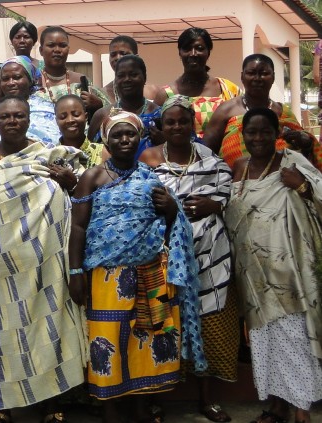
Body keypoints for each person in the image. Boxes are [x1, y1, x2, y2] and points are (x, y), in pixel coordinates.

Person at [0, 96, 89, 423]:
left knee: (49, 329)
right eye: (5, 116)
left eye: (19, 116)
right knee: (6, 336)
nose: (13, 121)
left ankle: (50, 404)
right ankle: (12, 406)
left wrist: (71, 184)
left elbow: (83, 195)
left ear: (29, 119)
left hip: (47, 267)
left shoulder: (47, 155)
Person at [72, 110, 206, 423]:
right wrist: (75, 272)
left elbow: (169, 223)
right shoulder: (92, 177)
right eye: (117, 134)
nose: (124, 140)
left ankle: (144, 408)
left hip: (150, 273)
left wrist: (173, 210)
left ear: (139, 137)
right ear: (106, 138)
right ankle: (111, 410)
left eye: (130, 134)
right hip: (107, 277)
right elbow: (77, 228)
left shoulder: (149, 175)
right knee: (108, 339)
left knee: (149, 339)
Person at [139, 96, 236, 423]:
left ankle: (207, 401)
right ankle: (157, 402)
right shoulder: (150, 162)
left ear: (192, 125)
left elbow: (232, 201)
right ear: (162, 127)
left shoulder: (213, 162)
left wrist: (215, 206)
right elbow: (140, 207)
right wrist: (170, 211)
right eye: (170, 122)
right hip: (164, 259)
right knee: (163, 326)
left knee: (207, 328)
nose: (177, 127)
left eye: (183, 121)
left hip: (210, 258)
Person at [225, 108, 322, 423]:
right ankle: (277, 407)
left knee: (294, 339)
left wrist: (301, 187)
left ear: (276, 133)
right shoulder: (239, 167)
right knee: (265, 342)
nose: (257, 138)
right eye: (251, 132)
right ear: (243, 135)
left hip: (290, 271)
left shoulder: (292, 162)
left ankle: (301, 410)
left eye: (264, 132)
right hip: (252, 273)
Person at [203, 54, 322, 170]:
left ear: (273, 77)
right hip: (234, 184)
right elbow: (206, 153)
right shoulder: (226, 110)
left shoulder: (283, 112)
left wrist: (306, 142)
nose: (257, 78)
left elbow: (304, 152)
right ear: (242, 77)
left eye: (264, 73)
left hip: (284, 185)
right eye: (251, 73)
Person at [154, 27, 240, 139]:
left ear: (208, 52)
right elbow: (156, 133)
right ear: (180, 53)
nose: (193, 54)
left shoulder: (227, 88)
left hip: (225, 156)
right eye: (187, 49)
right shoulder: (165, 95)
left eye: (199, 48)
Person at [88, 55, 160, 159]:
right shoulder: (102, 115)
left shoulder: (159, 115)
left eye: (133, 74)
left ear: (144, 77)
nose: (127, 79)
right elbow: (88, 150)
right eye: (121, 75)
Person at [0, 56, 61, 147]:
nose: (11, 83)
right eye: (5, 79)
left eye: (17, 77)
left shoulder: (48, 108)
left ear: (30, 80)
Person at [34, 26, 109, 116]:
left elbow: (110, 112)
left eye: (62, 45)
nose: (57, 50)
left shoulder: (81, 80)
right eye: (51, 45)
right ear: (41, 50)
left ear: (68, 49)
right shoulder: (33, 81)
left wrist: (98, 105)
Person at [55, 94, 110, 169]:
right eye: (63, 117)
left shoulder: (103, 153)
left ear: (86, 117)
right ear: (56, 121)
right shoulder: (50, 154)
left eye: (76, 115)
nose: (70, 120)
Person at [103, 35, 160, 104]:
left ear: (136, 57)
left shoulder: (153, 91)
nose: (117, 58)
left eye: (123, 53)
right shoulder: (102, 94)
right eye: (113, 54)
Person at [0, 21, 40, 100]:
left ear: (34, 41)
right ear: (12, 41)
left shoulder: (42, 66)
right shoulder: (3, 68)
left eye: (26, 37)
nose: (22, 41)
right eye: (17, 37)